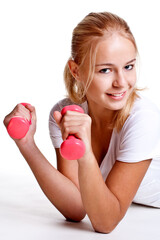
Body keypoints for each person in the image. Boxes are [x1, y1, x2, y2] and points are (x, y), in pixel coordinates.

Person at [4, 12, 160, 234]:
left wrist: (84, 153)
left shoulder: (144, 118)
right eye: (105, 70)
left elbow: (106, 223)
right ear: (76, 70)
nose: (122, 83)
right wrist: (26, 144)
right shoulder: (64, 115)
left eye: (128, 66)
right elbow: (76, 207)